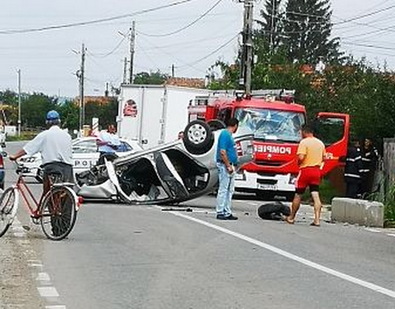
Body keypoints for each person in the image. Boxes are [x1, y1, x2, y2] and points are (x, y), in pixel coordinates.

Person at [9, 110, 73, 195]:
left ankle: (46, 206)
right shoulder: (67, 136)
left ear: (47, 122)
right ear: (59, 122)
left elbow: (28, 148)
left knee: (48, 192)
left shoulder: (44, 135)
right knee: (66, 192)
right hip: (67, 168)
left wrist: (15, 156)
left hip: (51, 167)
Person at [285, 125, 326, 226]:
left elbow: (301, 157)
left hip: (305, 170)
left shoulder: (304, 142)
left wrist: (299, 162)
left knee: (298, 194)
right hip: (316, 171)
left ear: (304, 132)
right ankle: (317, 219)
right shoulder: (320, 143)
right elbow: (324, 158)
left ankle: (291, 217)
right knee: (315, 195)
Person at [216, 117, 239, 220]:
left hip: (230, 164)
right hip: (225, 165)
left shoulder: (228, 135)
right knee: (224, 189)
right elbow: (222, 151)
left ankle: (227, 211)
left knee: (230, 190)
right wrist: (228, 165)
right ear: (235, 126)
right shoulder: (225, 135)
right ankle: (220, 211)